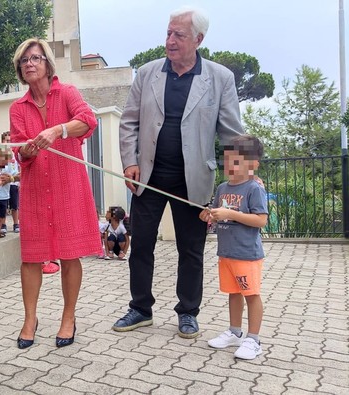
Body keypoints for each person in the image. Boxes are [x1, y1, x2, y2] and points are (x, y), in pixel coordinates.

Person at [115, 6, 244, 338]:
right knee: (141, 244)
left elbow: (231, 135)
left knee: (191, 249)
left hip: (195, 181)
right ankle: (140, 308)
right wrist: (130, 160)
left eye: (179, 35)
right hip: (148, 179)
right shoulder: (147, 73)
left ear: (198, 39)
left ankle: (188, 312)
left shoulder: (220, 78)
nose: (170, 41)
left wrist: (240, 180)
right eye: (168, 33)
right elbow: (129, 121)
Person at [9, 38, 101, 349]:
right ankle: (29, 318)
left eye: (35, 58)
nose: (29, 63)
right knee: (31, 257)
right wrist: (28, 150)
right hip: (35, 188)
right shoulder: (17, 107)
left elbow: (88, 121)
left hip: (67, 185)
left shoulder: (68, 93)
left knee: (69, 252)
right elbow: (20, 152)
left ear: (48, 64)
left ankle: (68, 317)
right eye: (24, 60)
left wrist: (58, 130)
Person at [199, 135, 267, 360]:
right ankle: (234, 332)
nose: (230, 166)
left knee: (251, 294)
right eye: (227, 161)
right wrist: (209, 216)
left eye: (236, 162)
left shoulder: (254, 188)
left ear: (253, 165)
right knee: (234, 293)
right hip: (226, 253)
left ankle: (253, 339)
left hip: (246, 254)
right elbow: (218, 216)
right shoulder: (222, 188)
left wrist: (230, 213)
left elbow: (260, 220)